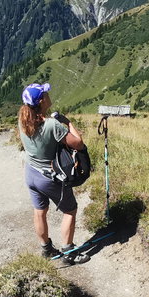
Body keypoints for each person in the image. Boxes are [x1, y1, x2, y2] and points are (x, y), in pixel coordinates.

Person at [18, 82, 90, 264]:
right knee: (70, 210)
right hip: (48, 177)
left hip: (31, 173)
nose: (49, 95)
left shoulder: (23, 119)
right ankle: (69, 252)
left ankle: (47, 249)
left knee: (39, 212)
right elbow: (78, 143)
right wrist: (67, 122)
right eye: (46, 94)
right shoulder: (51, 125)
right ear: (42, 100)